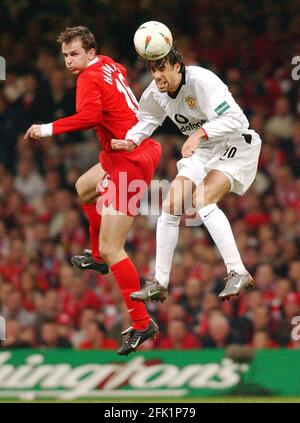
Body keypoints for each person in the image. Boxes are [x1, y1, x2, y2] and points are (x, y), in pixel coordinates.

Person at [24, 26, 161, 355]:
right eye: (65, 55)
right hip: (122, 151)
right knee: (84, 188)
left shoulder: (87, 77)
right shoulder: (109, 64)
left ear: (89, 52)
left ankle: (143, 324)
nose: (69, 61)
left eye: (74, 54)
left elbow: (88, 117)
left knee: (115, 248)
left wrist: (47, 129)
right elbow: (121, 78)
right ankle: (97, 258)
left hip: (130, 157)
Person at [112, 43, 261, 302]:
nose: (156, 75)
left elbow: (238, 120)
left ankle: (238, 272)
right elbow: (148, 119)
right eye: (152, 69)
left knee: (201, 200)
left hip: (234, 144)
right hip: (203, 150)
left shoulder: (202, 80)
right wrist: (132, 140)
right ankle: (160, 282)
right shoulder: (155, 92)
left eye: (161, 68)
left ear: (177, 66)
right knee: (170, 206)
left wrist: (199, 133)